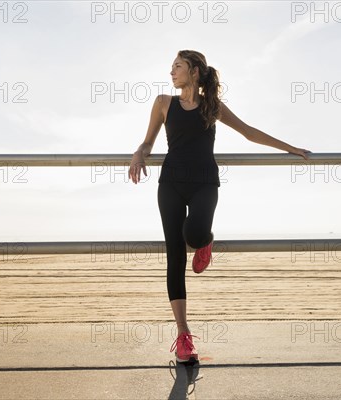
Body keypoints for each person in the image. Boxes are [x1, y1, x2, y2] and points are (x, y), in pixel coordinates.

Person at [128, 50, 311, 363]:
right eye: (171, 67)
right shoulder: (163, 103)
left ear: (195, 71)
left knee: (195, 234)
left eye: (178, 66)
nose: (172, 72)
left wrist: (290, 147)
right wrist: (138, 152)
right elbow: (148, 142)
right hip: (170, 184)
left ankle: (205, 243)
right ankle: (183, 335)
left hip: (204, 184)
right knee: (174, 254)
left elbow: (248, 132)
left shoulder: (212, 107)